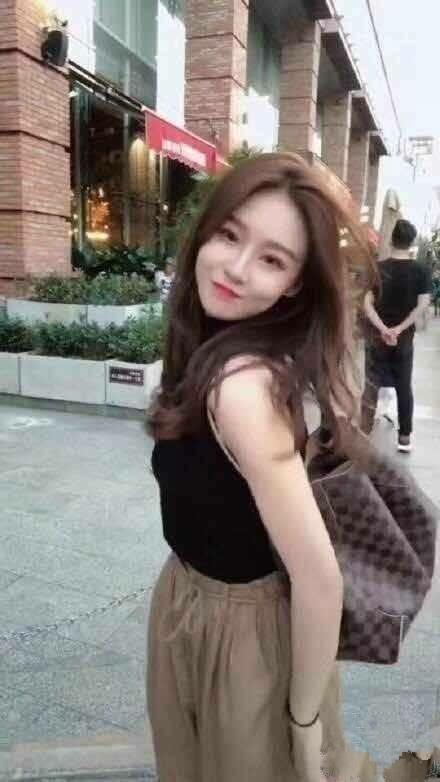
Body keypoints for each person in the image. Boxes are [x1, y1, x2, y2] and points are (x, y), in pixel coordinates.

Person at [146, 153, 377, 782]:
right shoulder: (211, 346)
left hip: (243, 634)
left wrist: (303, 725)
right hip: (188, 597)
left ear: (296, 283)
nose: (237, 269)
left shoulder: (242, 388)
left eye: (272, 260)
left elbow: (319, 579)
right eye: (230, 235)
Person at [361, 219, 432, 452]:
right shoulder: (421, 270)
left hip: (376, 337)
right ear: (411, 243)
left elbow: (366, 304)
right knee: (403, 386)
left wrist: (383, 328)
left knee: (371, 385)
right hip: (403, 340)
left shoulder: (377, 268)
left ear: (391, 240)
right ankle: (404, 437)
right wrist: (399, 329)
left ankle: (363, 432)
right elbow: (423, 304)